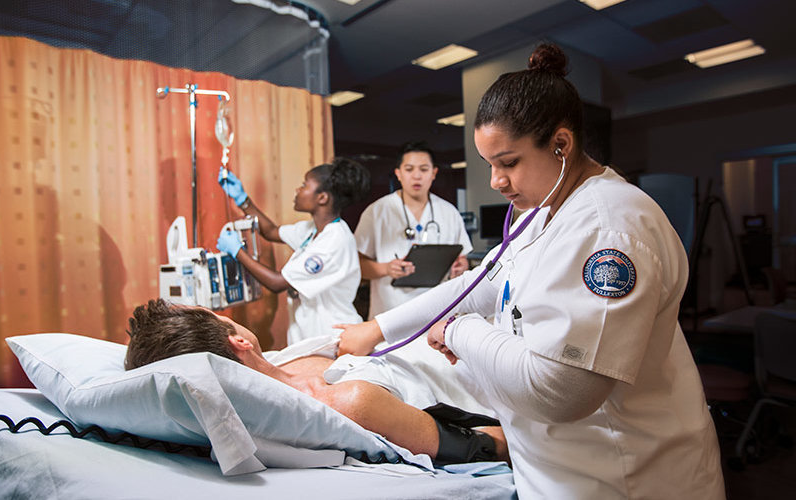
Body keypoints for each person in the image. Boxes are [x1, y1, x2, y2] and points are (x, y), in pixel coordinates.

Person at [338, 44, 725, 499]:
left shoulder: (609, 228)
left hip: (628, 476)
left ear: (561, 145)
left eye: (509, 162)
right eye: (489, 165)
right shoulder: (540, 215)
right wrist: (376, 328)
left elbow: (563, 390)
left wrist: (461, 333)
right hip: (556, 469)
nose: (496, 182)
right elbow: (478, 285)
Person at [125, 299, 508, 466]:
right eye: (221, 316)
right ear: (238, 341)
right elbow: (490, 447)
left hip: (477, 338)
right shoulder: (347, 401)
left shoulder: (279, 362)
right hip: (497, 371)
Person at [217, 158, 368, 345]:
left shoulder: (334, 241)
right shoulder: (313, 230)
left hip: (332, 336)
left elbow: (276, 282)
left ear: (322, 198)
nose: (298, 190)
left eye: (304, 185)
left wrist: (237, 251)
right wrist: (243, 200)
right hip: (309, 336)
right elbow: (271, 231)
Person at [354, 141, 473, 319]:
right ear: (398, 174)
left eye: (424, 169)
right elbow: (357, 265)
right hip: (391, 312)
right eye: (409, 169)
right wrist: (386, 269)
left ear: (434, 173)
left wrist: (462, 266)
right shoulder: (377, 211)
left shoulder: (449, 212)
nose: (417, 176)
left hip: (437, 312)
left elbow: (462, 259)